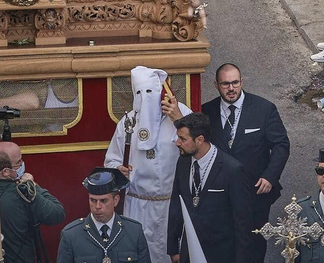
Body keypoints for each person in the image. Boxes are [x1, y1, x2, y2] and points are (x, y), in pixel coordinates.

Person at [199, 64, 290, 259]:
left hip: (255, 192)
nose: (231, 88)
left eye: (235, 83)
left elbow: (281, 145)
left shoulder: (264, 109)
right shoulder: (206, 112)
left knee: (254, 244)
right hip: (219, 195)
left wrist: (270, 177)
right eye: (225, 84)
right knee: (222, 244)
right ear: (216, 85)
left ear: (242, 82)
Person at [105, 66, 190, 259]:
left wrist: (178, 120)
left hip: (172, 203)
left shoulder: (180, 113)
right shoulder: (127, 122)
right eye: (139, 92)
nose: (145, 98)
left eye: (150, 92)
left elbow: (198, 146)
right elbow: (112, 160)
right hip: (138, 204)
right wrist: (119, 171)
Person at [166, 112, 253, 263]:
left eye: (183, 139)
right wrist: (173, 249)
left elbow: (242, 223)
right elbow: (176, 205)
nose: (177, 143)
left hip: (221, 254)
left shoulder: (232, 170)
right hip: (189, 253)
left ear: (200, 140)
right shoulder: (183, 163)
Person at [0, 141, 66, 261]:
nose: (22, 164)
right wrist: (33, 186)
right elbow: (57, 214)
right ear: (5, 172)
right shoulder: (22, 193)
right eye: (19, 163)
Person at [57, 168, 152, 263]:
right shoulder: (71, 235)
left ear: (116, 200)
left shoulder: (134, 231)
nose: (97, 206)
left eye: (104, 201)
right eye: (93, 200)